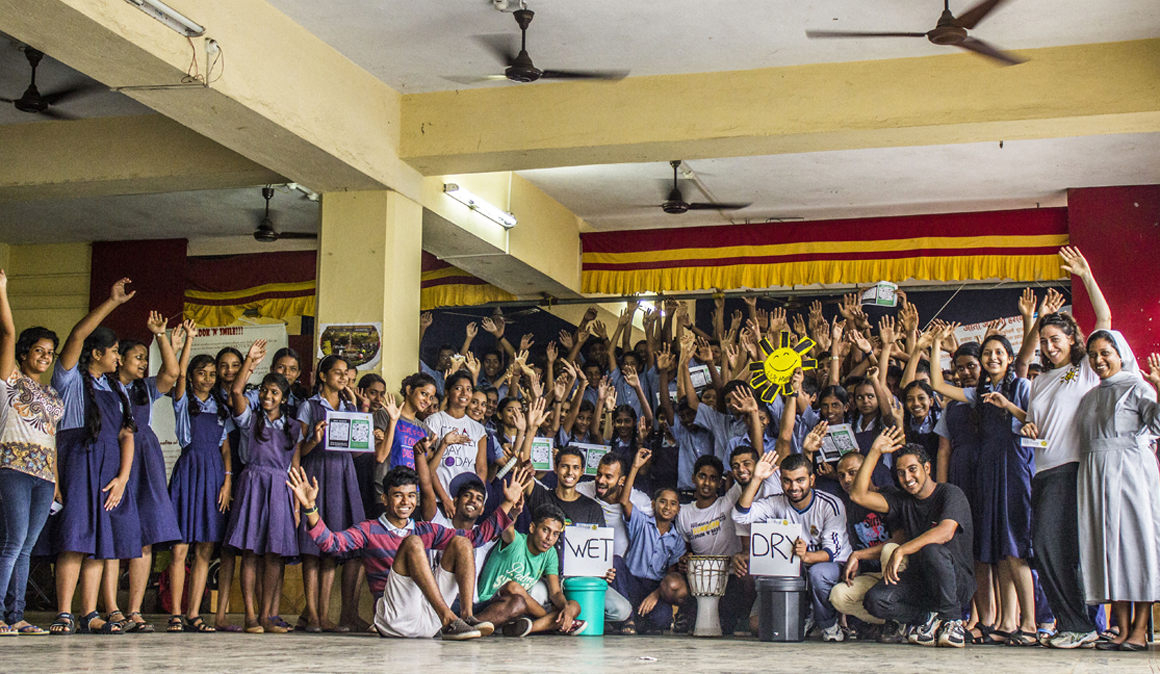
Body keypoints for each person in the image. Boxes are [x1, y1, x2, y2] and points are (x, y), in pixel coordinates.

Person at [289, 464, 522, 640]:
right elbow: (331, 543)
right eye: (398, 495)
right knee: (412, 543)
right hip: (395, 616)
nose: (405, 502)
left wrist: (508, 505)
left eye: (411, 496)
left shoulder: (425, 529)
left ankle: (466, 618)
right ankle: (450, 619)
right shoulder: (369, 529)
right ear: (385, 498)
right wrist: (309, 507)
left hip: (429, 616)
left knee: (462, 543)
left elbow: (476, 538)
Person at [1016, 248, 1110, 650]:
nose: (1050, 347)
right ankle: (1074, 623)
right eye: (1045, 341)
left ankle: (1079, 624)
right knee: (1048, 549)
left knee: (1054, 547)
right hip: (1042, 472)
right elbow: (1037, 420)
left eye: (1057, 340)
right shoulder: (1041, 381)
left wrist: (1087, 276)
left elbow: (1104, 321)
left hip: (1072, 470)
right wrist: (1026, 422)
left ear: (1073, 340)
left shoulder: (1083, 368)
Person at [931, 328, 1037, 646]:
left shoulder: (1020, 385)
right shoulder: (978, 394)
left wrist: (1008, 406)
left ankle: (1029, 624)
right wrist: (934, 344)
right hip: (988, 472)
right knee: (999, 550)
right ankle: (1004, 623)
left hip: (1014, 469)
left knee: (1016, 548)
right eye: (987, 353)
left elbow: (1037, 421)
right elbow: (937, 385)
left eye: (998, 353)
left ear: (1009, 357)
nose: (992, 358)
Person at [48, 278, 138, 636]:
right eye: (115, 351)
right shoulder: (69, 378)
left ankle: (90, 613)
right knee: (75, 538)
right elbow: (75, 337)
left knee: (100, 543)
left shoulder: (117, 388)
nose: (119, 357)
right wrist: (111, 301)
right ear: (97, 353)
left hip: (108, 470)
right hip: (76, 460)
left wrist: (123, 477)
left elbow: (127, 435)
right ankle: (64, 612)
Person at [852, 428, 975, 649]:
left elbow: (945, 532)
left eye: (912, 469)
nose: (907, 478)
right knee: (876, 600)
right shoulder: (902, 500)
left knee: (931, 548)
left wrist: (902, 549)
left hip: (956, 583)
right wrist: (875, 451)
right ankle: (927, 619)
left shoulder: (950, 493)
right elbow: (858, 495)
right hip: (923, 583)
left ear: (927, 468)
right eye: (901, 473)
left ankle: (952, 621)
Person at [1076, 331, 1160, 652]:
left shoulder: (1139, 387)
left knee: (1135, 548)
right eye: (1093, 355)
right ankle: (1121, 627)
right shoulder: (1090, 396)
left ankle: (1139, 629)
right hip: (1097, 478)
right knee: (1108, 551)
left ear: (1120, 353)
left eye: (1105, 353)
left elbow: (1158, 425)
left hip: (1131, 476)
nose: (1098, 360)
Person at [106, 315, 184, 634]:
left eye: (144, 357)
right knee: (111, 535)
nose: (142, 363)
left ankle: (135, 610)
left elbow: (172, 372)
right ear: (119, 359)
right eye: (137, 357)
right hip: (113, 455)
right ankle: (111, 608)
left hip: (145, 457)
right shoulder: (103, 387)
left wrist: (161, 337)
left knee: (145, 536)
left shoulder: (144, 389)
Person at [222, 340, 304, 634]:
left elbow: (294, 467)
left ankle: (270, 615)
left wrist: (297, 507)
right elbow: (235, 391)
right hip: (253, 485)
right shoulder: (250, 419)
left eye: (275, 393)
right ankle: (250, 614)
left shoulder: (293, 427)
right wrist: (250, 362)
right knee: (250, 551)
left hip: (280, 490)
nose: (268, 396)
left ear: (284, 398)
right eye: (265, 391)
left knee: (274, 554)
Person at [0, 270, 64, 636]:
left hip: (43, 474)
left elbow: (51, 438)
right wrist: (3, 290)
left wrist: (55, 480)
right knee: (12, 543)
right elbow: (8, 332)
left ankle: (17, 616)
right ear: (25, 353)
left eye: (49, 353)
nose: (44, 357)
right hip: (13, 467)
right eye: (38, 351)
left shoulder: (53, 395)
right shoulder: (9, 378)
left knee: (27, 548)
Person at [734, 452, 851, 641]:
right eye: (787, 481)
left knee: (818, 574)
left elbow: (831, 552)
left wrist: (807, 556)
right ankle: (804, 616)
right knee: (783, 575)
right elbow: (740, 516)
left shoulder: (830, 504)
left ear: (812, 479)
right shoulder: (776, 502)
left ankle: (828, 624)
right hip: (796, 566)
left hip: (830, 565)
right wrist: (756, 479)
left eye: (800, 480)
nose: (794, 487)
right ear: (780, 481)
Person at [296, 354, 364, 632]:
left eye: (346, 373)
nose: (343, 377)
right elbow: (297, 450)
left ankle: (324, 615)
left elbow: (358, 450)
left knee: (331, 547)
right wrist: (314, 438)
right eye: (337, 372)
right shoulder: (309, 406)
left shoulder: (349, 405)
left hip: (342, 473)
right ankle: (312, 614)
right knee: (312, 549)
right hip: (316, 473)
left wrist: (360, 412)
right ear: (322, 376)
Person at [475, 503, 585, 637]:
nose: (549, 538)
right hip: (495, 605)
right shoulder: (515, 542)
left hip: (525, 609)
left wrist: (566, 609)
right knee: (514, 588)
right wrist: (513, 513)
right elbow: (507, 527)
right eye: (545, 530)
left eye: (555, 534)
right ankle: (551, 624)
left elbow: (555, 592)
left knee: (574, 605)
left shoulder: (550, 554)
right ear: (532, 528)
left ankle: (530, 627)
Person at [827, 447, 901, 640]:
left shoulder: (888, 495)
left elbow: (900, 541)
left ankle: (909, 617)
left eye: (853, 473)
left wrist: (859, 555)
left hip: (900, 572)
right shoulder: (848, 507)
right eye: (842, 476)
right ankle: (892, 622)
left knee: (890, 551)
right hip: (873, 576)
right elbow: (854, 547)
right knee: (839, 596)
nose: (847, 480)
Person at [674, 455, 751, 635]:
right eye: (702, 476)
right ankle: (686, 612)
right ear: (693, 479)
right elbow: (685, 552)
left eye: (713, 478)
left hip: (731, 578)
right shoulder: (684, 513)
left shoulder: (729, 502)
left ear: (719, 483)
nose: (707, 483)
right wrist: (685, 560)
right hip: (700, 582)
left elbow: (748, 479)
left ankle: (744, 616)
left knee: (725, 623)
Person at [618, 447, 687, 634]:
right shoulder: (641, 522)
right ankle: (629, 618)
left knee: (662, 620)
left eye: (673, 503)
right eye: (663, 501)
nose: (667, 507)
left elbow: (671, 576)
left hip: (655, 587)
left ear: (678, 510)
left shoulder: (677, 540)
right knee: (616, 562)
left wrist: (655, 596)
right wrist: (634, 467)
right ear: (654, 504)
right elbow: (624, 500)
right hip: (632, 581)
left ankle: (638, 620)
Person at [425, 371, 488, 515]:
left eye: (469, 389)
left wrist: (476, 497)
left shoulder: (478, 429)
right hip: (438, 500)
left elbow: (481, 469)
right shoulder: (434, 421)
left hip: (465, 504)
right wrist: (445, 499)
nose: (464, 393)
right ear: (447, 392)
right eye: (458, 388)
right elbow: (429, 467)